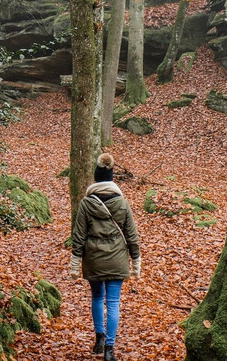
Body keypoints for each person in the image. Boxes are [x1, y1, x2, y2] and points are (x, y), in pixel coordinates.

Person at [70, 153, 141, 361]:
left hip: (93, 258)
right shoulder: (122, 203)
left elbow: (79, 236)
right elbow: (132, 236)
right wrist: (135, 261)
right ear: (111, 178)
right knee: (113, 302)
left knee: (97, 297)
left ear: (96, 177)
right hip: (117, 259)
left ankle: (99, 338)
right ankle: (109, 350)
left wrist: (75, 263)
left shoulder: (86, 203)